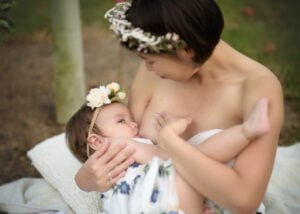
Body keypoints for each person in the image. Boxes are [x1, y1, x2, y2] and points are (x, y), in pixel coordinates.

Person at [76, 1, 285, 213]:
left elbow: (244, 200)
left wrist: (171, 143)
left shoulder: (256, 89)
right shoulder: (156, 68)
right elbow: (131, 146)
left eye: (149, 60)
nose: (147, 66)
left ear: (185, 49)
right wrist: (87, 178)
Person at [67, 83, 270, 213]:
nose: (134, 124)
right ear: (96, 142)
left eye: (130, 118)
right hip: (153, 202)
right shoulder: (121, 147)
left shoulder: (114, 160)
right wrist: (172, 138)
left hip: (151, 204)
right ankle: (246, 131)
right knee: (197, 157)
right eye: (121, 121)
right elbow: (167, 157)